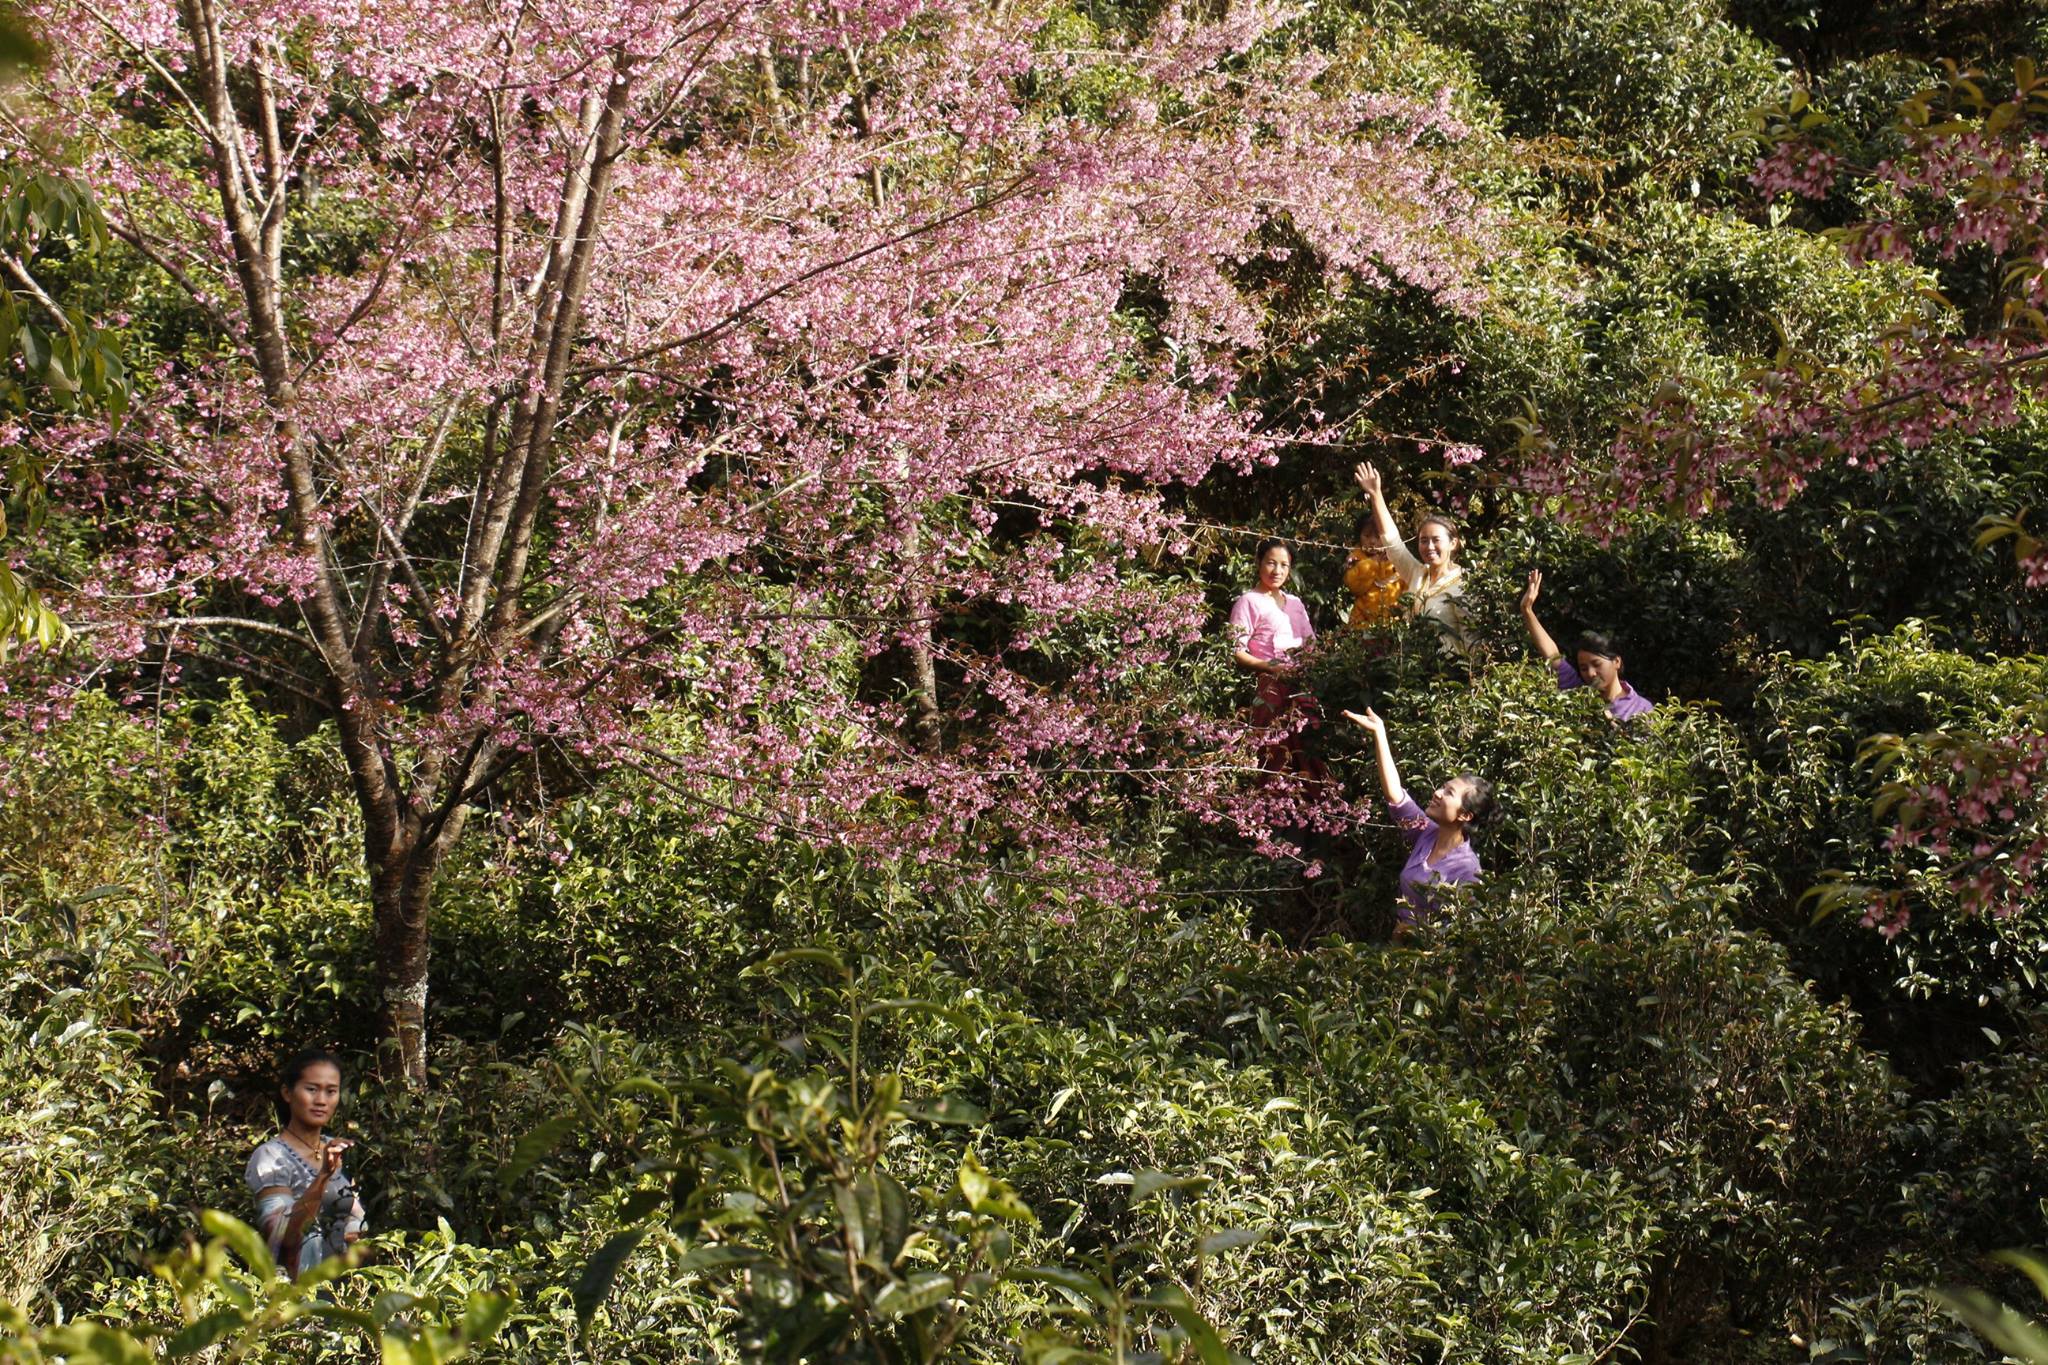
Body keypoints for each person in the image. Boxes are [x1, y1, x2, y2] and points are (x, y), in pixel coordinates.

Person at [1342, 706, 1490, 930]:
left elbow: (1466, 932)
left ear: (1465, 814)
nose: (1437, 793)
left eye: (1449, 793)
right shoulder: (1427, 833)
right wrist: (1380, 733)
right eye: (1442, 787)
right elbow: (1395, 795)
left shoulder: (1467, 868)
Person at [247, 1048, 366, 1278]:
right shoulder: (270, 1157)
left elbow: (357, 1220)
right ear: (287, 1093)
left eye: (331, 1091)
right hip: (296, 1293)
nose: (321, 1100)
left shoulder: (337, 1147)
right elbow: (285, 1235)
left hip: (345, 1289)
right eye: (311, 1089)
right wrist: (323, 1175)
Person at [1351, 462, 1473, 658]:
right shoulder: (1418, 573)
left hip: (1450, 675)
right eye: (1424, 541)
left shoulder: (1465, 584)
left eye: (1436, 540)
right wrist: (1376, 495)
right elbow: (1393, 543)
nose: (1429, 547)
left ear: (1453, 543)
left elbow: (1473, 642)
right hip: (1413, 671)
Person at [1228, 538, 1322, 774]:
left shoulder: (1295, 603)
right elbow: (1237, 651)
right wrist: (1270, 667)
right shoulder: (1248, 601)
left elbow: (1312, 646)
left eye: (1284, 565)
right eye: (1271, 563)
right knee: (1275, 753)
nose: (1277, 571)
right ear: (1259, 562)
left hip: (1302, 684)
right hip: (1270, 686)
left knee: (1310, 751)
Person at [1519, 570, 1654, 722]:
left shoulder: (1641, 709)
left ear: (1616, 662)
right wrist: (1527, 610)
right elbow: (1552, 655)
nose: (1590, 673)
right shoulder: (1577, 691)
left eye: (1596, 664)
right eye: (1583, 668)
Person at [1343, 513, 1405, 629]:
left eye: (1378, 537)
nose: (1372, 541)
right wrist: (1372, 563)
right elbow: (1354, 586)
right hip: (1362, 622)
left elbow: (1406, 587)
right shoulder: (1355, 558)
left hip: (1392, 624)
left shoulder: (1395, 559)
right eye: (1366, 535)